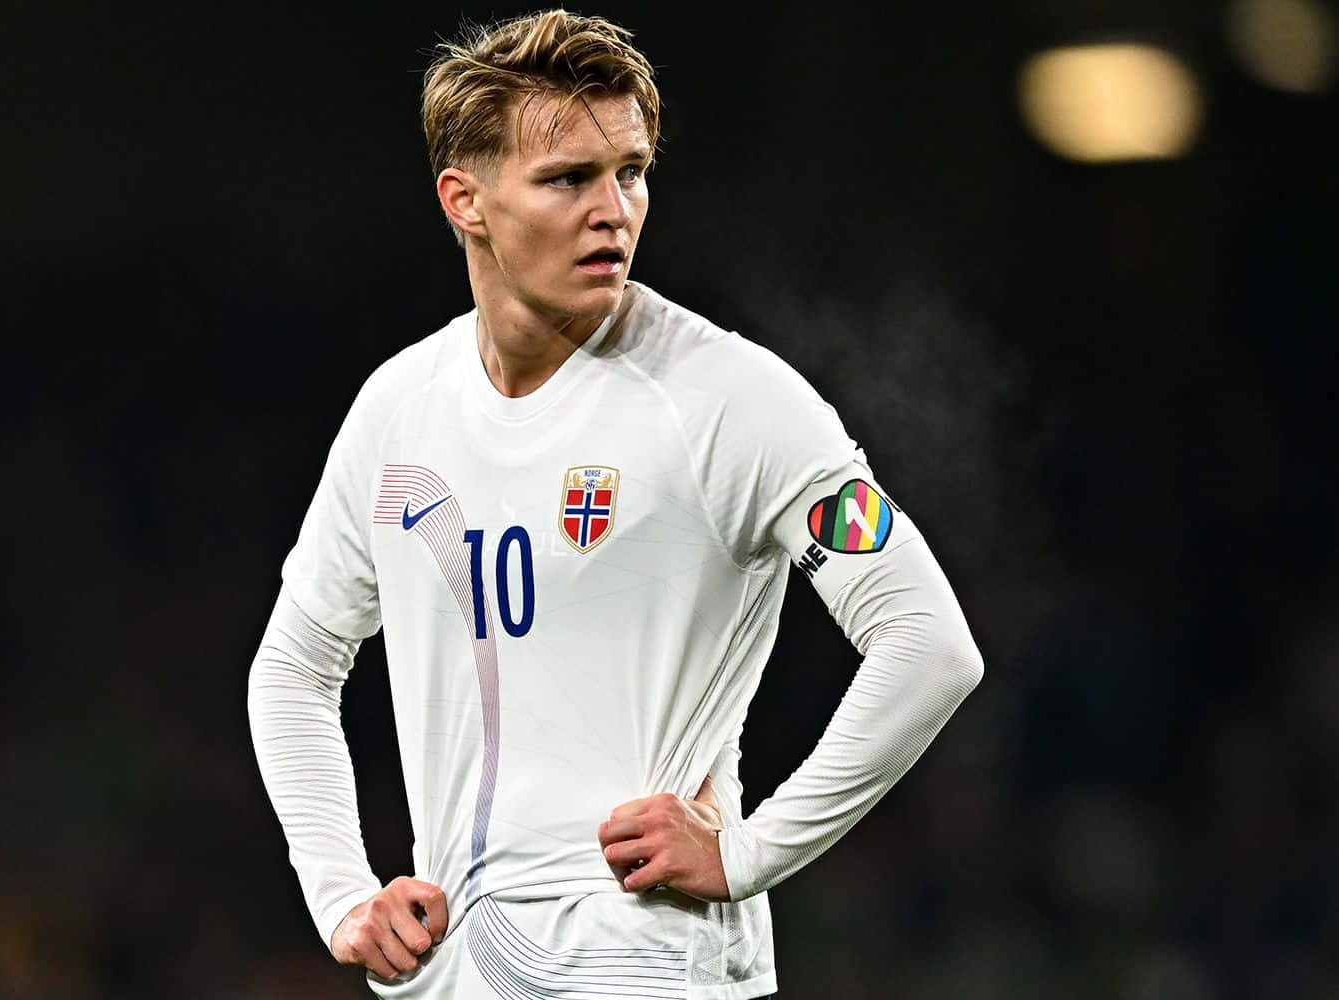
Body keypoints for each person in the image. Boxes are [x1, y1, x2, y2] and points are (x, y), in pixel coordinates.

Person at [248, 10, 983, 998]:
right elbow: (294, 666)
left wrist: (753, 851)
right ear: (465, 201)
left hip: (651, 967)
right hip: (459, 973)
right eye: (568, 179)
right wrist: (342, 892)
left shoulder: (729, 398)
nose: (615, 210)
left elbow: (929, 643)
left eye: (630, 172)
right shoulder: (400, 410)